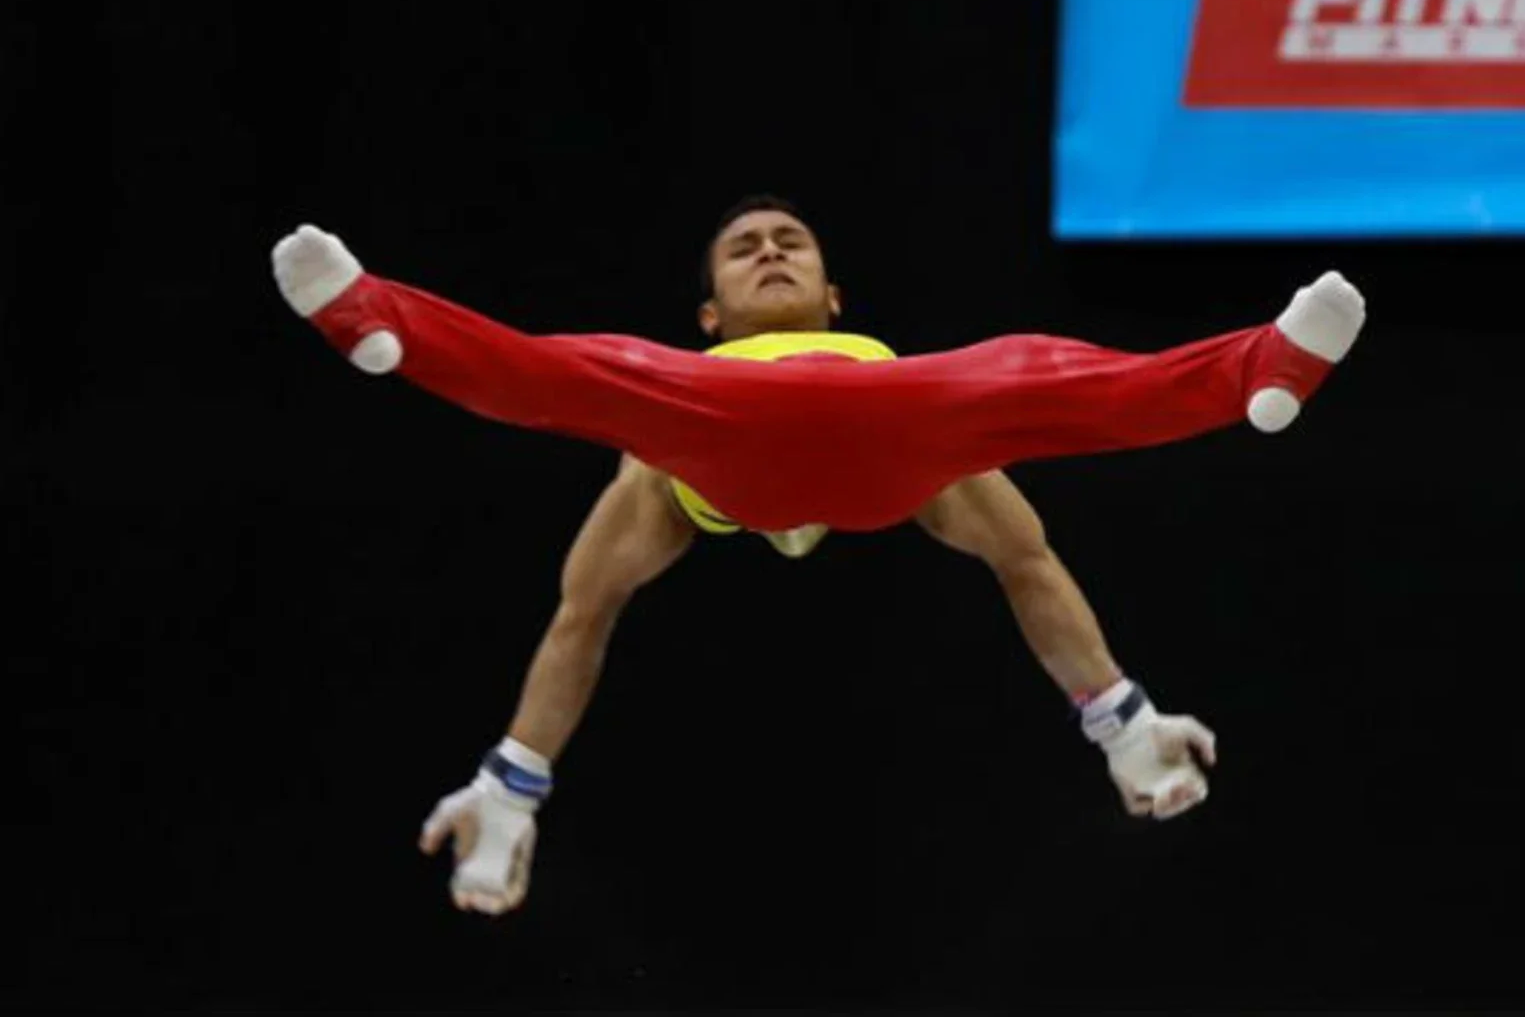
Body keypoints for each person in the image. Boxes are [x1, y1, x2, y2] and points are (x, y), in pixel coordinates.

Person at [271, 194, 1366, 915]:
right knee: (597, 374)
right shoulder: (676, 407)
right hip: (713, 442)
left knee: (1020, 371)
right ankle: (386, 324)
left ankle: (1257, 371)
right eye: (745, 250)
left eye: (790, 243)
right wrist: (511, 784)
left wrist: (1123, 718)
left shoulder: (885, 373)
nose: (770, 252)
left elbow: (1026, 566)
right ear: (713, 310)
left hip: (887, 436)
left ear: (834, 297)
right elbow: (581, 616)